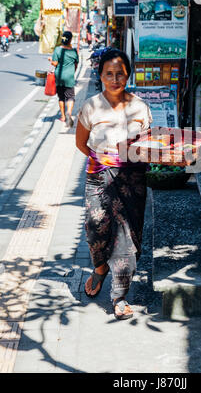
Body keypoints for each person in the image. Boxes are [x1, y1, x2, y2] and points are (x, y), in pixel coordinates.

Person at [76, 48, 153, 320]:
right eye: (109, 73)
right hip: (99, 176)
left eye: (120, 73)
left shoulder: (140, 107)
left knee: (127, 238)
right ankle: (99, 269)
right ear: (100, 75)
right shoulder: (91, 107)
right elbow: (81, 143)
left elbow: (148, 144)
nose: (115, 78)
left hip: (132, 180)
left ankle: (119, 296)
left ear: (128, 75)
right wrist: (105, 160)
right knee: (95, 228)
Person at [49, 31, 79, 127]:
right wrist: (72, 72)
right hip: (69, 76)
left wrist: (50, 60)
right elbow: (76, 64)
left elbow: (55, 63)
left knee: (61, 97)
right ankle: (69, 113)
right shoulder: (73, 51)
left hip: (59, 76)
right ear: (70, 40)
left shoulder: (57, 50)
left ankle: (62, 116)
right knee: (70, 96)